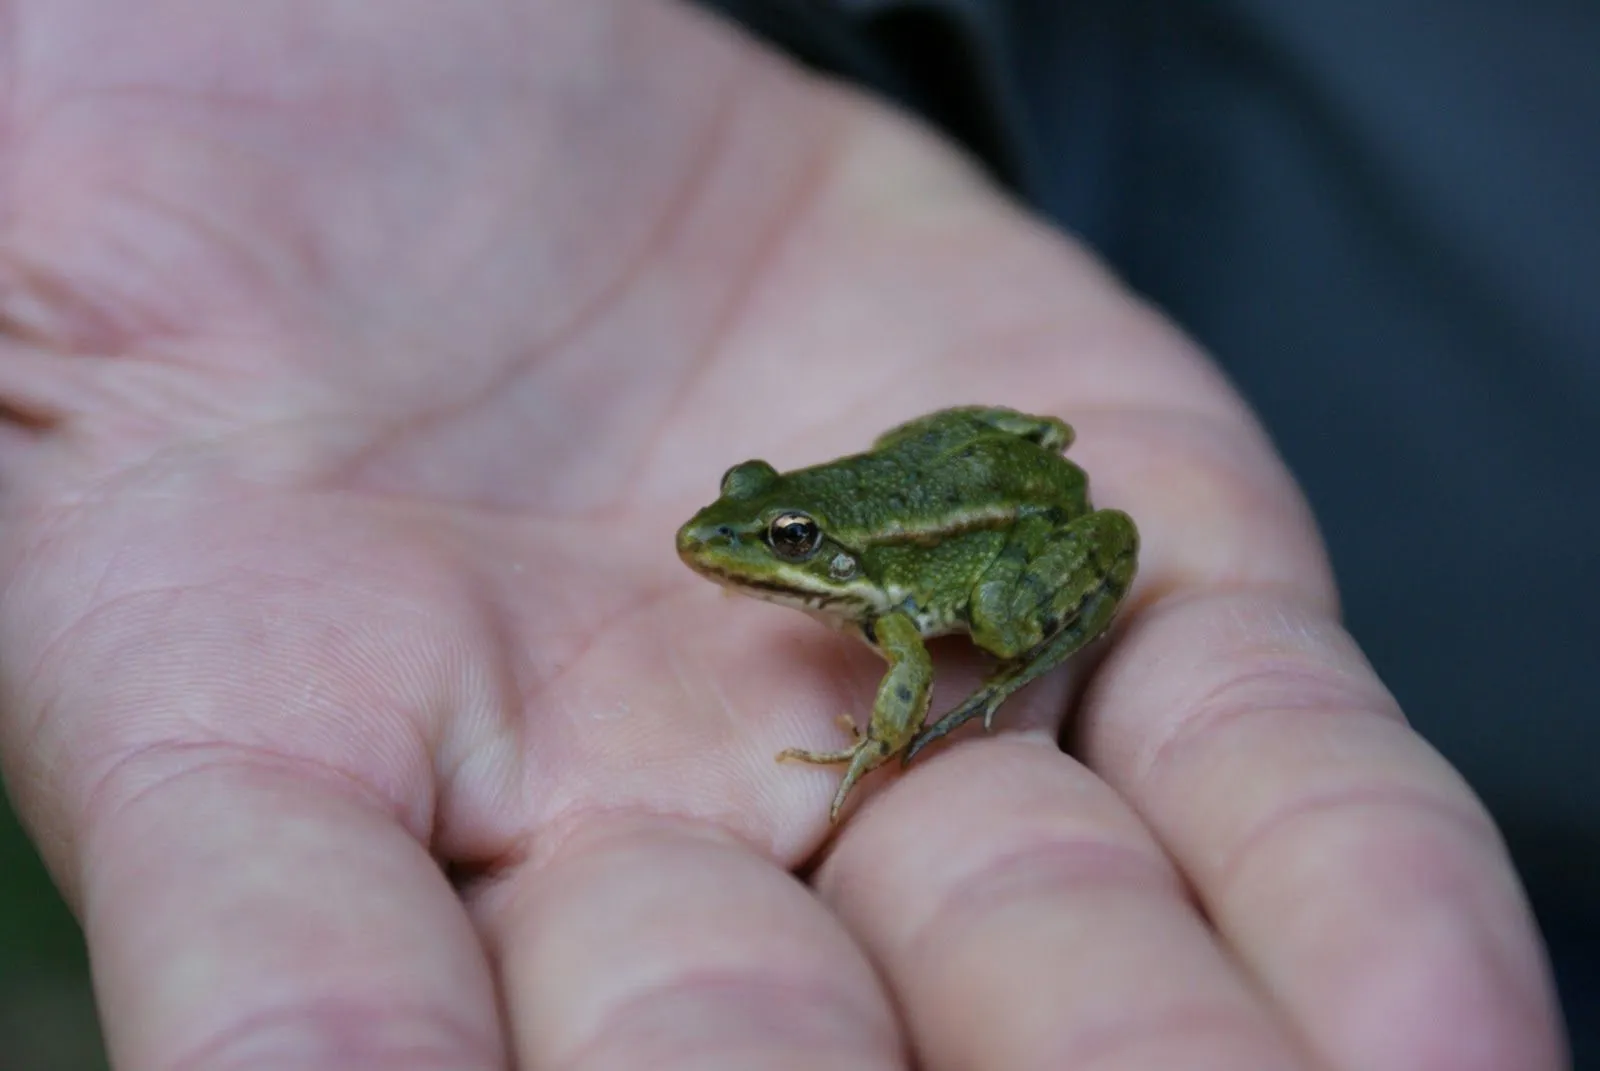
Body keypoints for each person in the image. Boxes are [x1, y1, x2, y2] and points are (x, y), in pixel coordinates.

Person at [0, 2, 1572, 1067]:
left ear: (837, 550)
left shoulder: (891, 603)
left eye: (788, 539)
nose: (753, 552)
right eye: (779, 529)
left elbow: (903, 669)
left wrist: (897, 740)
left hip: (1016, 510)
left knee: (1032, 651)